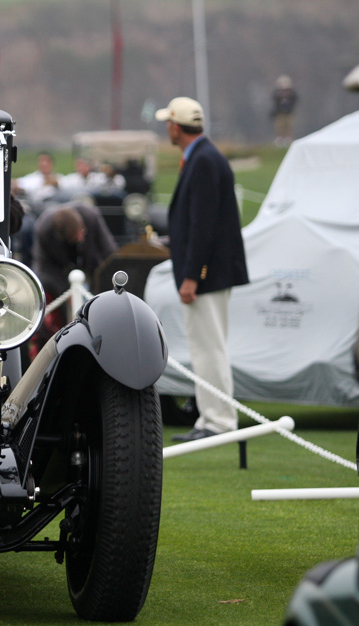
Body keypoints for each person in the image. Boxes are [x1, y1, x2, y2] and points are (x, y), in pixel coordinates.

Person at [155, 96, 249, 442]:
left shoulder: (204, 161)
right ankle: (211, 417)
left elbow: (204, 225)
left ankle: (218, 421)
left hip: (207, 274)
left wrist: (193, 275)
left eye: (168, 123)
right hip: (209, 272)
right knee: (206, 347)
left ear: (175, 127)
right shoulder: (202, 157)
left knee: (210, 348)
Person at [29, 205, 117, 359]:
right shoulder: (44, 228)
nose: (81, 238)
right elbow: (44, 267)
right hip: (58, 271)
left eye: (81, 233)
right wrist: (66, 296)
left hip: (92, 265)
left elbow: (109, 253)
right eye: (75, 237)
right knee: (61, 304)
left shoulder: (91, 216)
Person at [270, 75, 298, 147]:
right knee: (279, 126)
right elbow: (275, 102)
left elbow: (295, 100)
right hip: (280, 113)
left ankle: (288, 140)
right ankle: (279, 140)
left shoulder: (291, 94)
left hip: (288, 113)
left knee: (288, 126)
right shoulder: (277, 94)